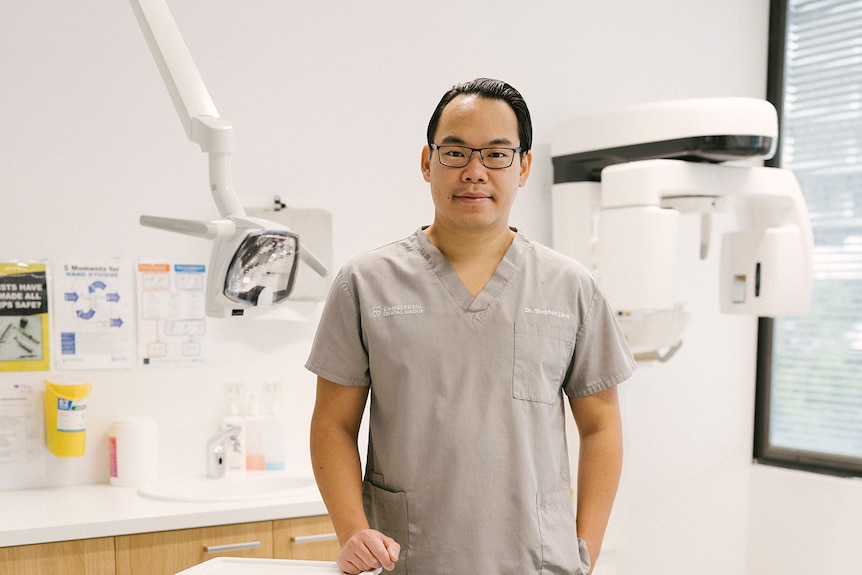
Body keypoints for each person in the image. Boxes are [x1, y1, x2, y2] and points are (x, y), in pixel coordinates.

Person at [307, 78, 635, 575]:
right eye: (456, 153)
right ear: (427, 162)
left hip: (537, 562)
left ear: (523, 166)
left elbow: (601, 425)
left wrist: (584, 550)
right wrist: (353, 531)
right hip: (407, 560)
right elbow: (333, 422)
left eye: (497, 154)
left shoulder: (570, 287)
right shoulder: (365, 284)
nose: (475, 172)